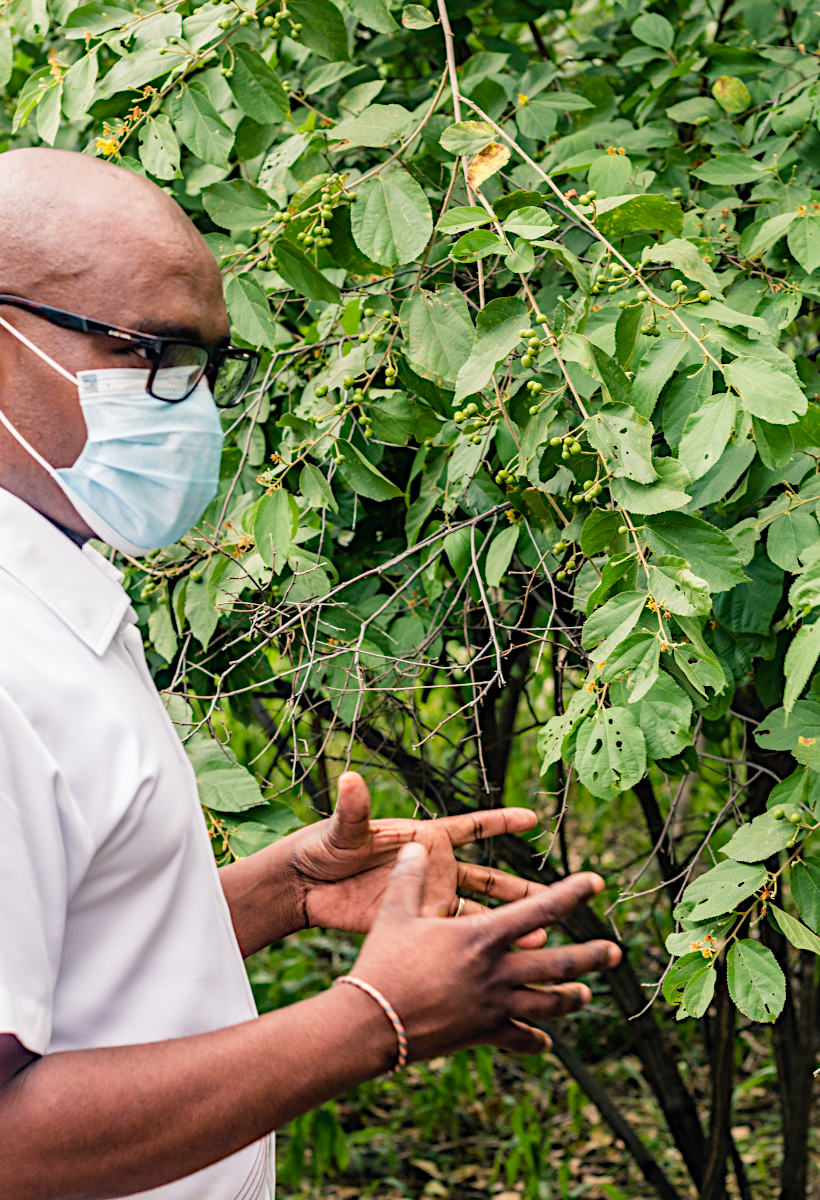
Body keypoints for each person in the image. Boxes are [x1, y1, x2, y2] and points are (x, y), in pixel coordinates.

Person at [0, 147, 621, 1200]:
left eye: (207, 367)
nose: (191, 408)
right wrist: (371, 1019)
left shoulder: (46, 594)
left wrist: (282, 891)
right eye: (157, 354)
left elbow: (65, 965)